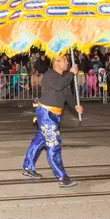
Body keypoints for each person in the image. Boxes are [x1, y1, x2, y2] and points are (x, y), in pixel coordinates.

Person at [22, 54, 83, 188]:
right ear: (56, 62)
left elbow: (67, 95)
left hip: (54, 114)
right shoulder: (50, 75)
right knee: (54, 143)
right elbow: (58, 85)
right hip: (47, 114)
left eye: (67, 60)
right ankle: (62, 176)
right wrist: (71, 74)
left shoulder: (62, 78)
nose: (67, 63)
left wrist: (75, 106)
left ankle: (28, 166)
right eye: (64, 60)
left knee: (40, 140)